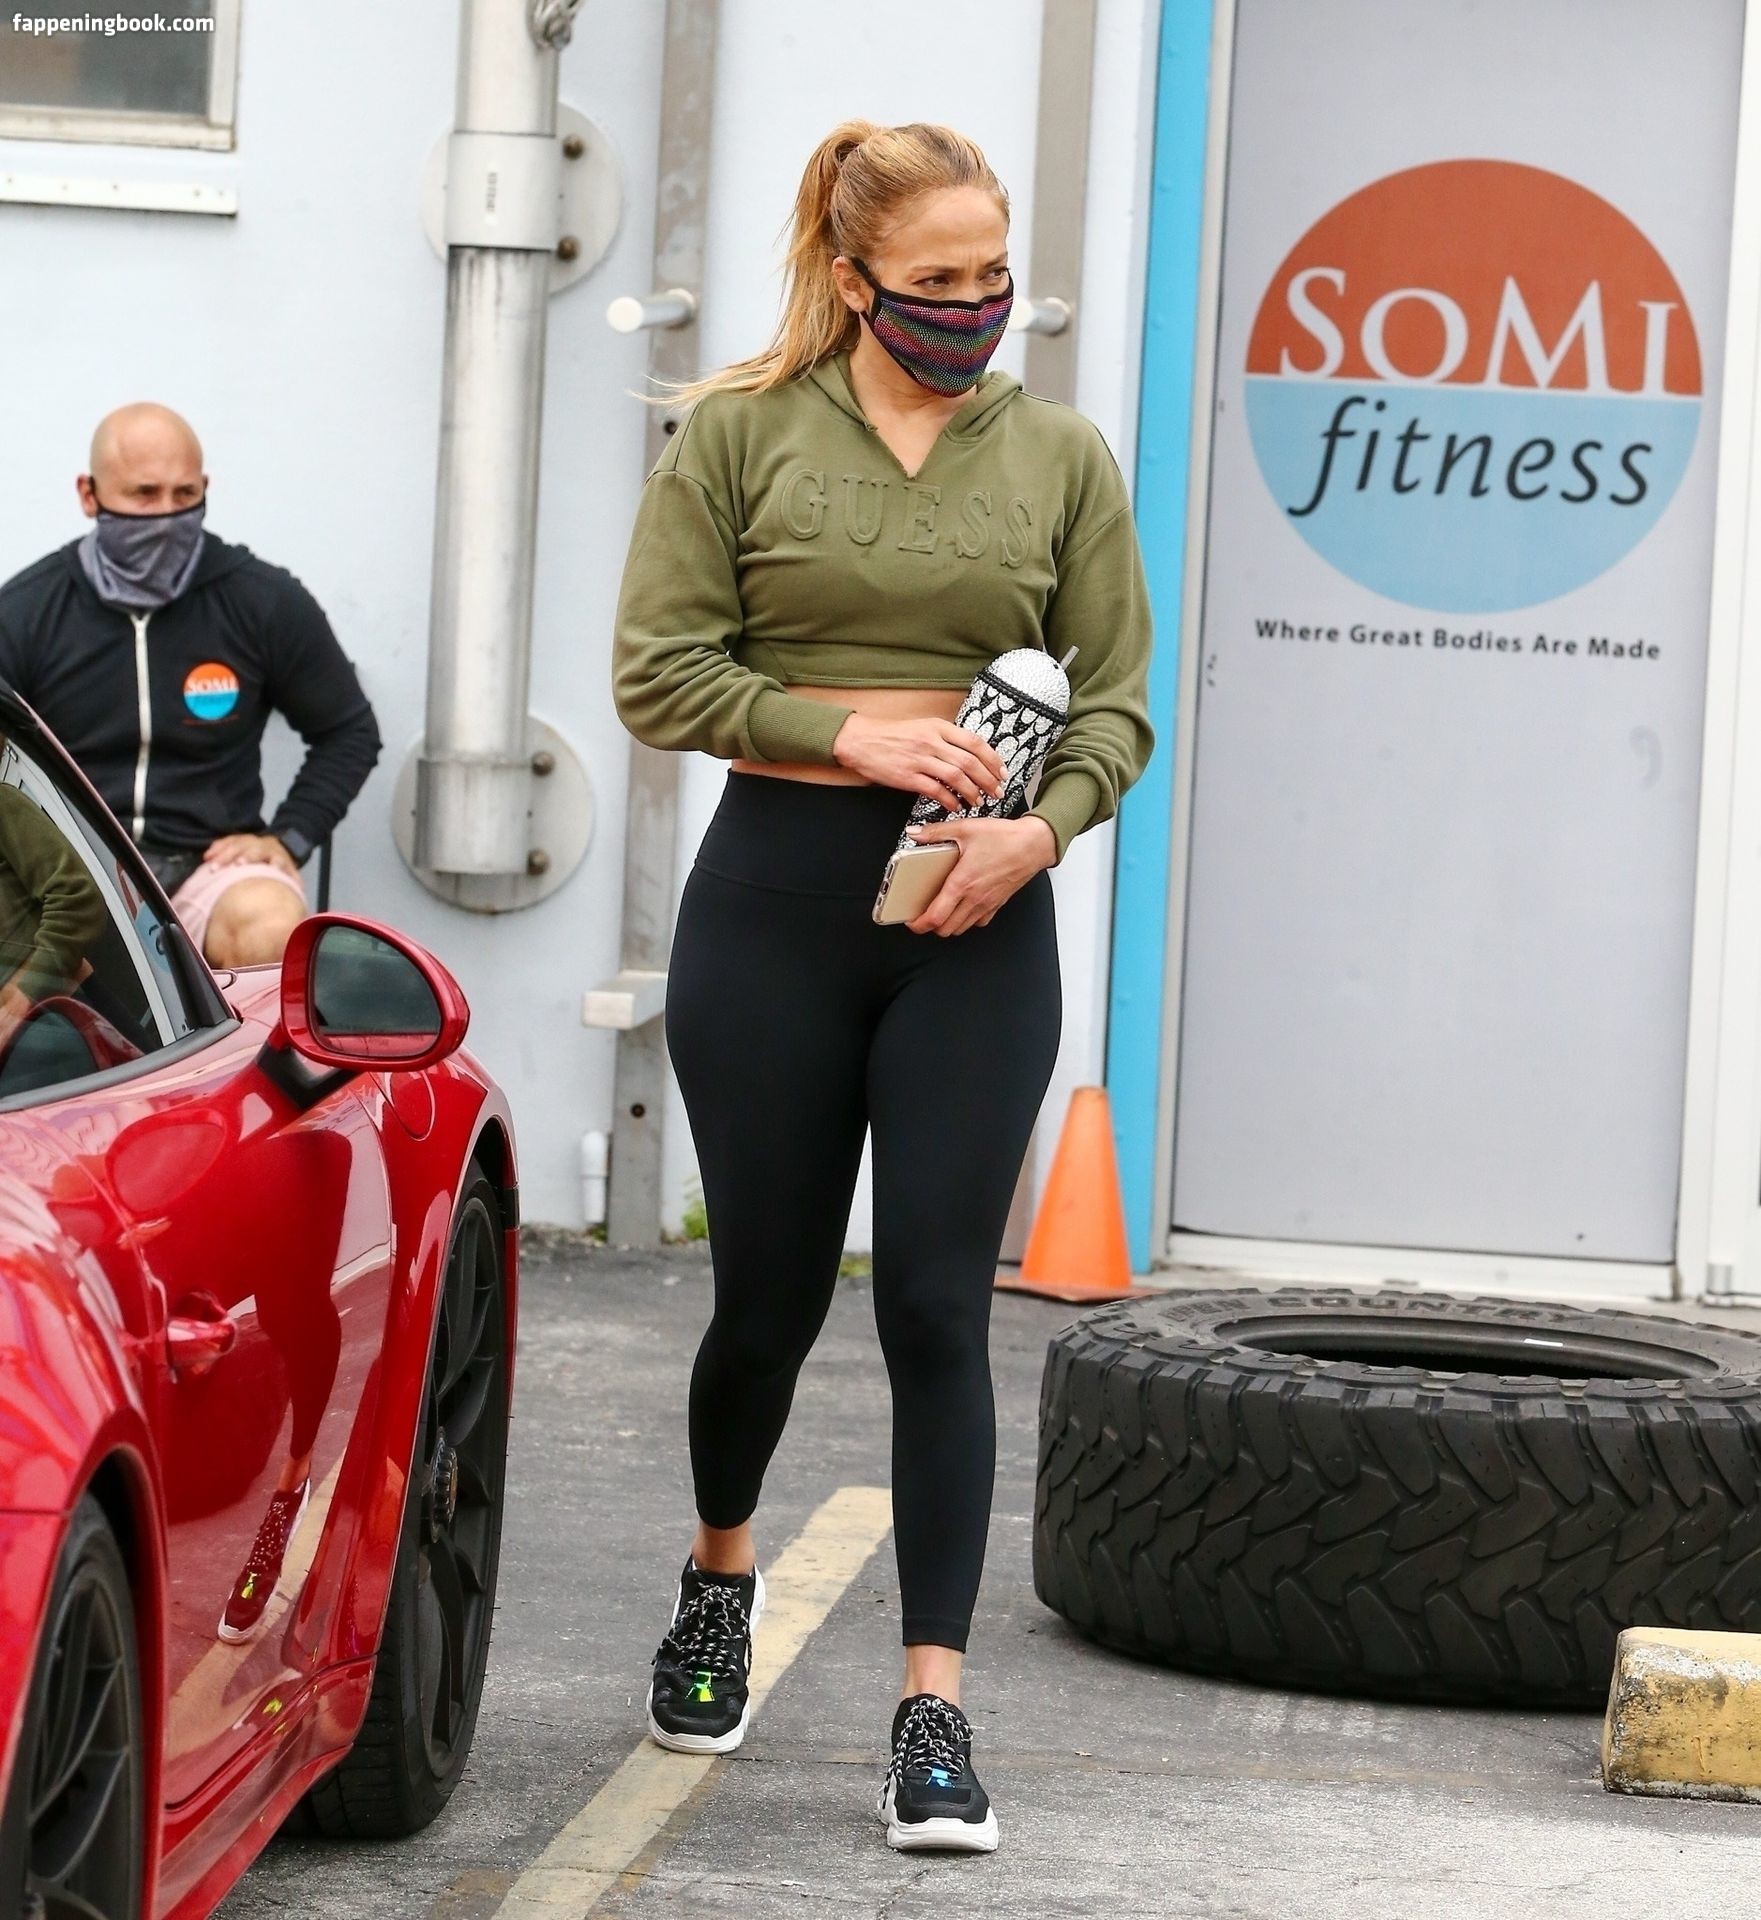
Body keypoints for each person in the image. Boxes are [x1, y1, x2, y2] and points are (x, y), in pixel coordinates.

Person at [611, 120, 1155, 1854]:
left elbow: (1118, 701)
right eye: (935, 281)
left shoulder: (1058, 455)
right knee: (764, 1303)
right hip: (772, 909)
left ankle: (933, 1708)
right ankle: (719, 1579)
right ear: (853, 280)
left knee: (935, 1304)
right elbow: (658, 672)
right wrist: (845, 732)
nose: (972, 307)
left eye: (994, 277)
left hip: (975, 920)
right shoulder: (740, 435)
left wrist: (1040, 833)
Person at [0, 403, 382, 967]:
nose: (165, 516)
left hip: (209, 869)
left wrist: (290, 837)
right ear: (89, 494)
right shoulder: (28, 610)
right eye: (144, 495)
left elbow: (348, 731)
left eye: (184, 495)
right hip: (66, 869)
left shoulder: (262, 600)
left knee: (269, 924)